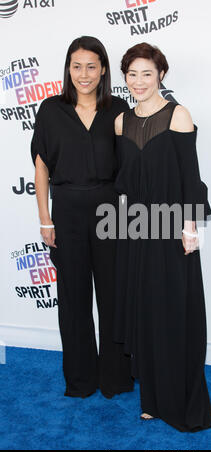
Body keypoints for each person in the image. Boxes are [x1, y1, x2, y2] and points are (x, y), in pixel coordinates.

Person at [113, 42, 211, 432]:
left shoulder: (178, 115)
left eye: (147, 74)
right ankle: (152, 399)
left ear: (161, 76)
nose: (139, 81)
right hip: (133, 231)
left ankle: (180, 400)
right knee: (145, 316)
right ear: (124, 77)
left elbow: (190, 178)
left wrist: (189, 228)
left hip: (171, 230)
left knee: (173, 316)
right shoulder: (121, 121)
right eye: (132, 74)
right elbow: (123, 182)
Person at [31, 36, 133, 399]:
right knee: (73, 299)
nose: (84, 74)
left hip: (110, 211)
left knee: (112, 297)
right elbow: (41, 167)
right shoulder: (50, 109)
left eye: (92, 66)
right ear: (68, 68)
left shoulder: (119, 109)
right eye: (77, 66)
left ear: (103, 69)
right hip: (68, 210)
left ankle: (116, 377)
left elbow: (134, 165)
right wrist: (46, 219)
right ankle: (80, 380)